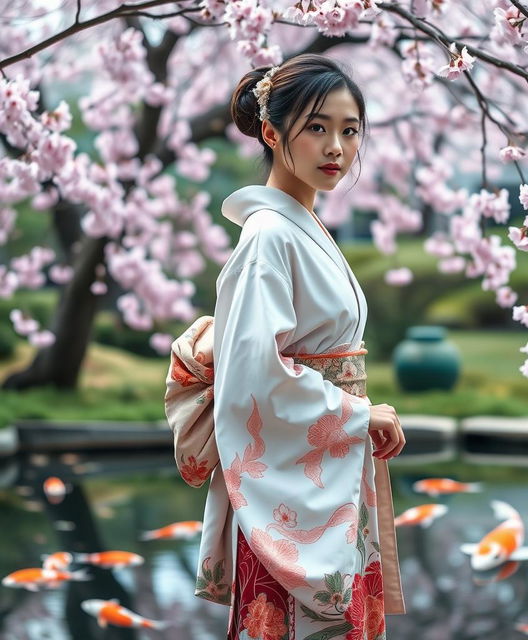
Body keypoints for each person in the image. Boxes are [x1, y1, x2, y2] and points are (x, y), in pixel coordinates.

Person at [167, 53, 406, 640]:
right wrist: (356, 413)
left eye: (350, 131)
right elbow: (253, 376)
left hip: (328, 466)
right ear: (272, 133)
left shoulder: (301, 227)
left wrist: (354, 420)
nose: (336, 148)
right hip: (298, 473)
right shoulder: (269, 237)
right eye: (317, 127)